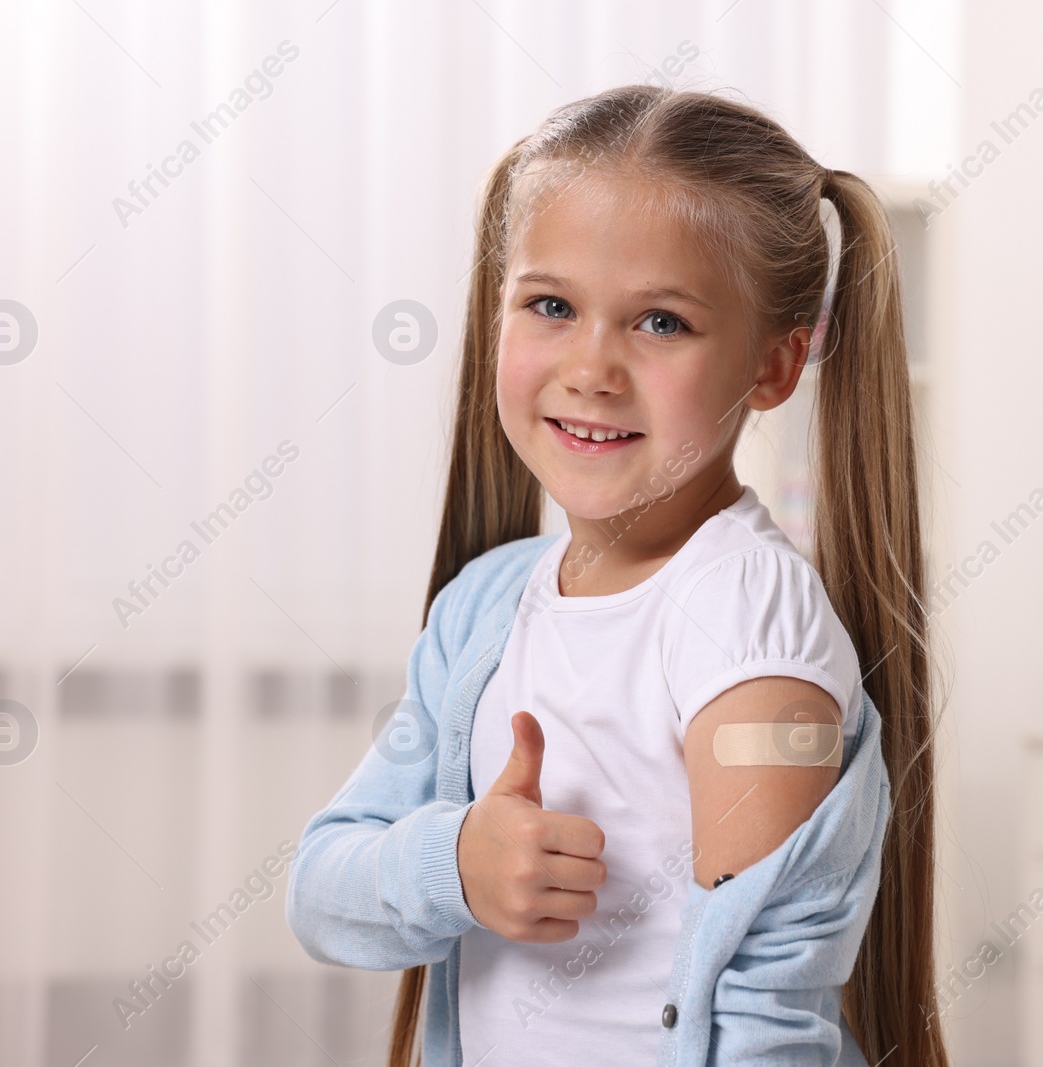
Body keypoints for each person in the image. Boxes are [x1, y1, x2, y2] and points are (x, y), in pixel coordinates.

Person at [287, 85, 944, 1067]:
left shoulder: (745, 615)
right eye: (551, 304)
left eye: (661, 323)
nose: (591, 365)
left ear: (773, 365)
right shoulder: (486, 605)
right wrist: (456, 862)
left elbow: (765, 1013)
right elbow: (320, 890)